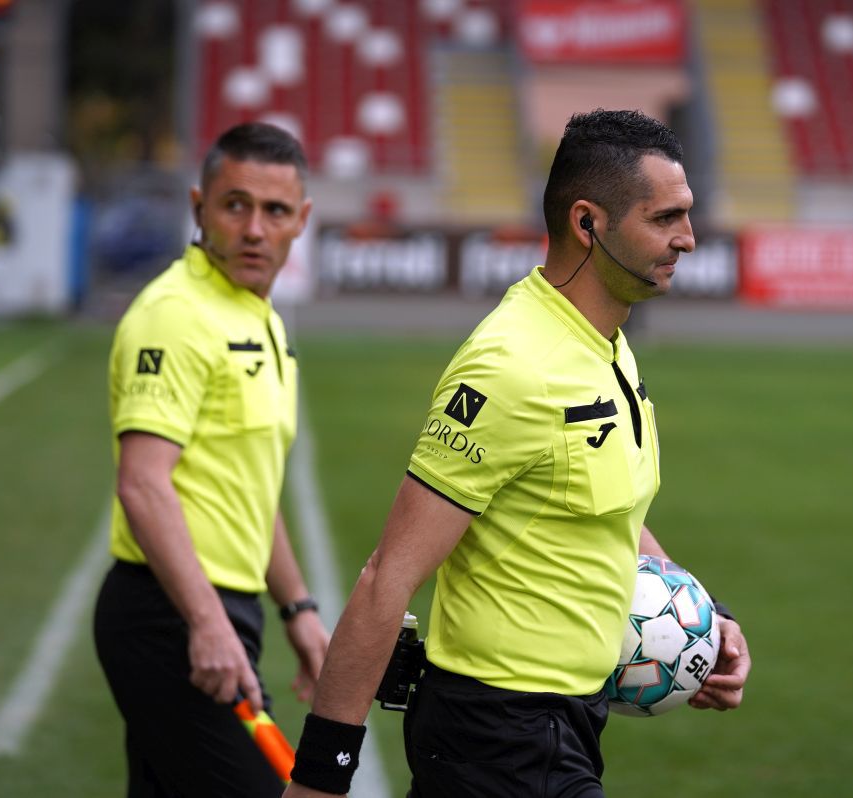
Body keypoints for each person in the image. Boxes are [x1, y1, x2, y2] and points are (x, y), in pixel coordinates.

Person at [285, 109, 752, 798]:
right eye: (664, 218)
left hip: (563, 728)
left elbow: (608, 515)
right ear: (587, 222)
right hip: (497, 737)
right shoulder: (511, 367)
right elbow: (389, 575)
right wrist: (321, 778)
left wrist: (707, 617)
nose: (687, 239)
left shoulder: (606, 345)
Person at [93, 122, 330, 797]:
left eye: (276, 210)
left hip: (225, 611)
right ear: (199, 209)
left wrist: (298, 609)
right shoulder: (175, 315)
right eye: (236, 205)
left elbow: (252, 489)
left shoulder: (260, 318)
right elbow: (142, 485)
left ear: (301, 221)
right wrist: (205, 623)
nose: (255, 228)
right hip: (169, 615)